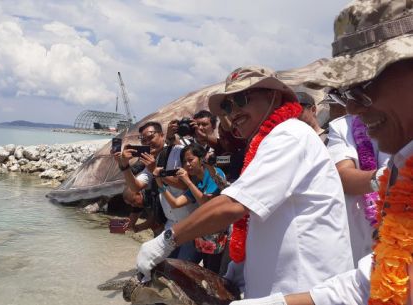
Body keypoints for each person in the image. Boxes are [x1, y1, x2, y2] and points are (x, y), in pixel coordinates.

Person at [230, 0, 413, 304]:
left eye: (362, 84)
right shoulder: (401, 166)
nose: (352, 107)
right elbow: (369, 283)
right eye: (343, 92)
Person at [136, 66, 353, 298]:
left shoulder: (290, 134)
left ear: (274, 96)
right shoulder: (269, 141)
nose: (233, 113)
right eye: (228, 107)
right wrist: (239, 272)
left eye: (241, 99)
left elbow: (233, 204)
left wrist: (166, 240)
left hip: (306, 289)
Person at [113, 121, 199, 261]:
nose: (148, 142)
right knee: (161, 264)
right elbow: (135, 186)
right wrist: (124, 166)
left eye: (150, 137)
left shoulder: (180, 152)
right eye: (144, 140)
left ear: (161, 135)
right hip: (171, 224)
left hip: (191, 223)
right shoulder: (153, 160)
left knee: (184, 268)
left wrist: (156, 172)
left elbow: (187, 184)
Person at [326, 113, 390, 266]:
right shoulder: (342, 126)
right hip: (362, 241)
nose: (350, 105)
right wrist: (388, 177)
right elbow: (342, 177)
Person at [158, 143, 229, 273]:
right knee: (186, 269)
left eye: (191, 160)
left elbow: (206, 204)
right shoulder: (197, 182)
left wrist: (188, 182)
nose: (187, 165)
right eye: (184, 162)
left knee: (213, 274)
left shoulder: (214, 174)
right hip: (203, 236)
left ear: (201, 159)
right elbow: (176, 203)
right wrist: (160, 183)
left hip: (218, 236)